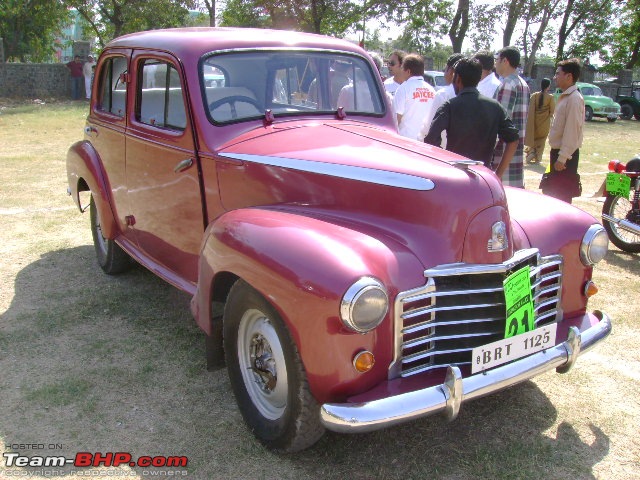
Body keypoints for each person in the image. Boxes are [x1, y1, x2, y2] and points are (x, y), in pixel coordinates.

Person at [424, 57, 519, 170]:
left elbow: (430, 139)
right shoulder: (495, 107)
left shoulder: (449, 106)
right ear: (478, 79)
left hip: (455, 173)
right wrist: (498, 175)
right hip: (482, 177)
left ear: (457, 79)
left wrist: (445, 162)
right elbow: (513, 140)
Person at [540, 58, 584, 204]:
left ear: (569, 76)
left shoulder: (574, 98)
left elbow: (572, 131)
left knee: (562, 197)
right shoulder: (566, 96)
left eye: (558, 73)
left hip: (565, 157)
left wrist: (562, 157)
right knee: (554, 194)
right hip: (559, 153)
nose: (555, 77)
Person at [492, 46, 530, 188]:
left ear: (505, 61)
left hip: (503, 156)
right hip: (515, 154)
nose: (495, 64)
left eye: (497, 60)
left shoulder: (507, 84)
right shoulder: (523, 84)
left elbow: (501, 121)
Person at [418, 53, 464, 144]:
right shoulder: (477, 96)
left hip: (444, 149)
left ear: (451, 71)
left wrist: (420, 138)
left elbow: (428, 126)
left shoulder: (443, 94)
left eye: (445, 70)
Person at [393, 54, 436, 140]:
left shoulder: (403, 89)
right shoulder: (432, 90)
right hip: (425, 140)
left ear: (408, 71)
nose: (401, 71)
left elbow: (396, 118)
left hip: (406, 140)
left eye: (402, 68)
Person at [524, 78, 555, 164]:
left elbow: (530, 109)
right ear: (548, 86)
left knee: (534, 140)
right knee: (541, 141)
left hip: (533, 123)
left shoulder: (534, 95)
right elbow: (552, 111)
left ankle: (531, 153)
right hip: (544, 124)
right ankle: (537, 157)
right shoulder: (550, 97)